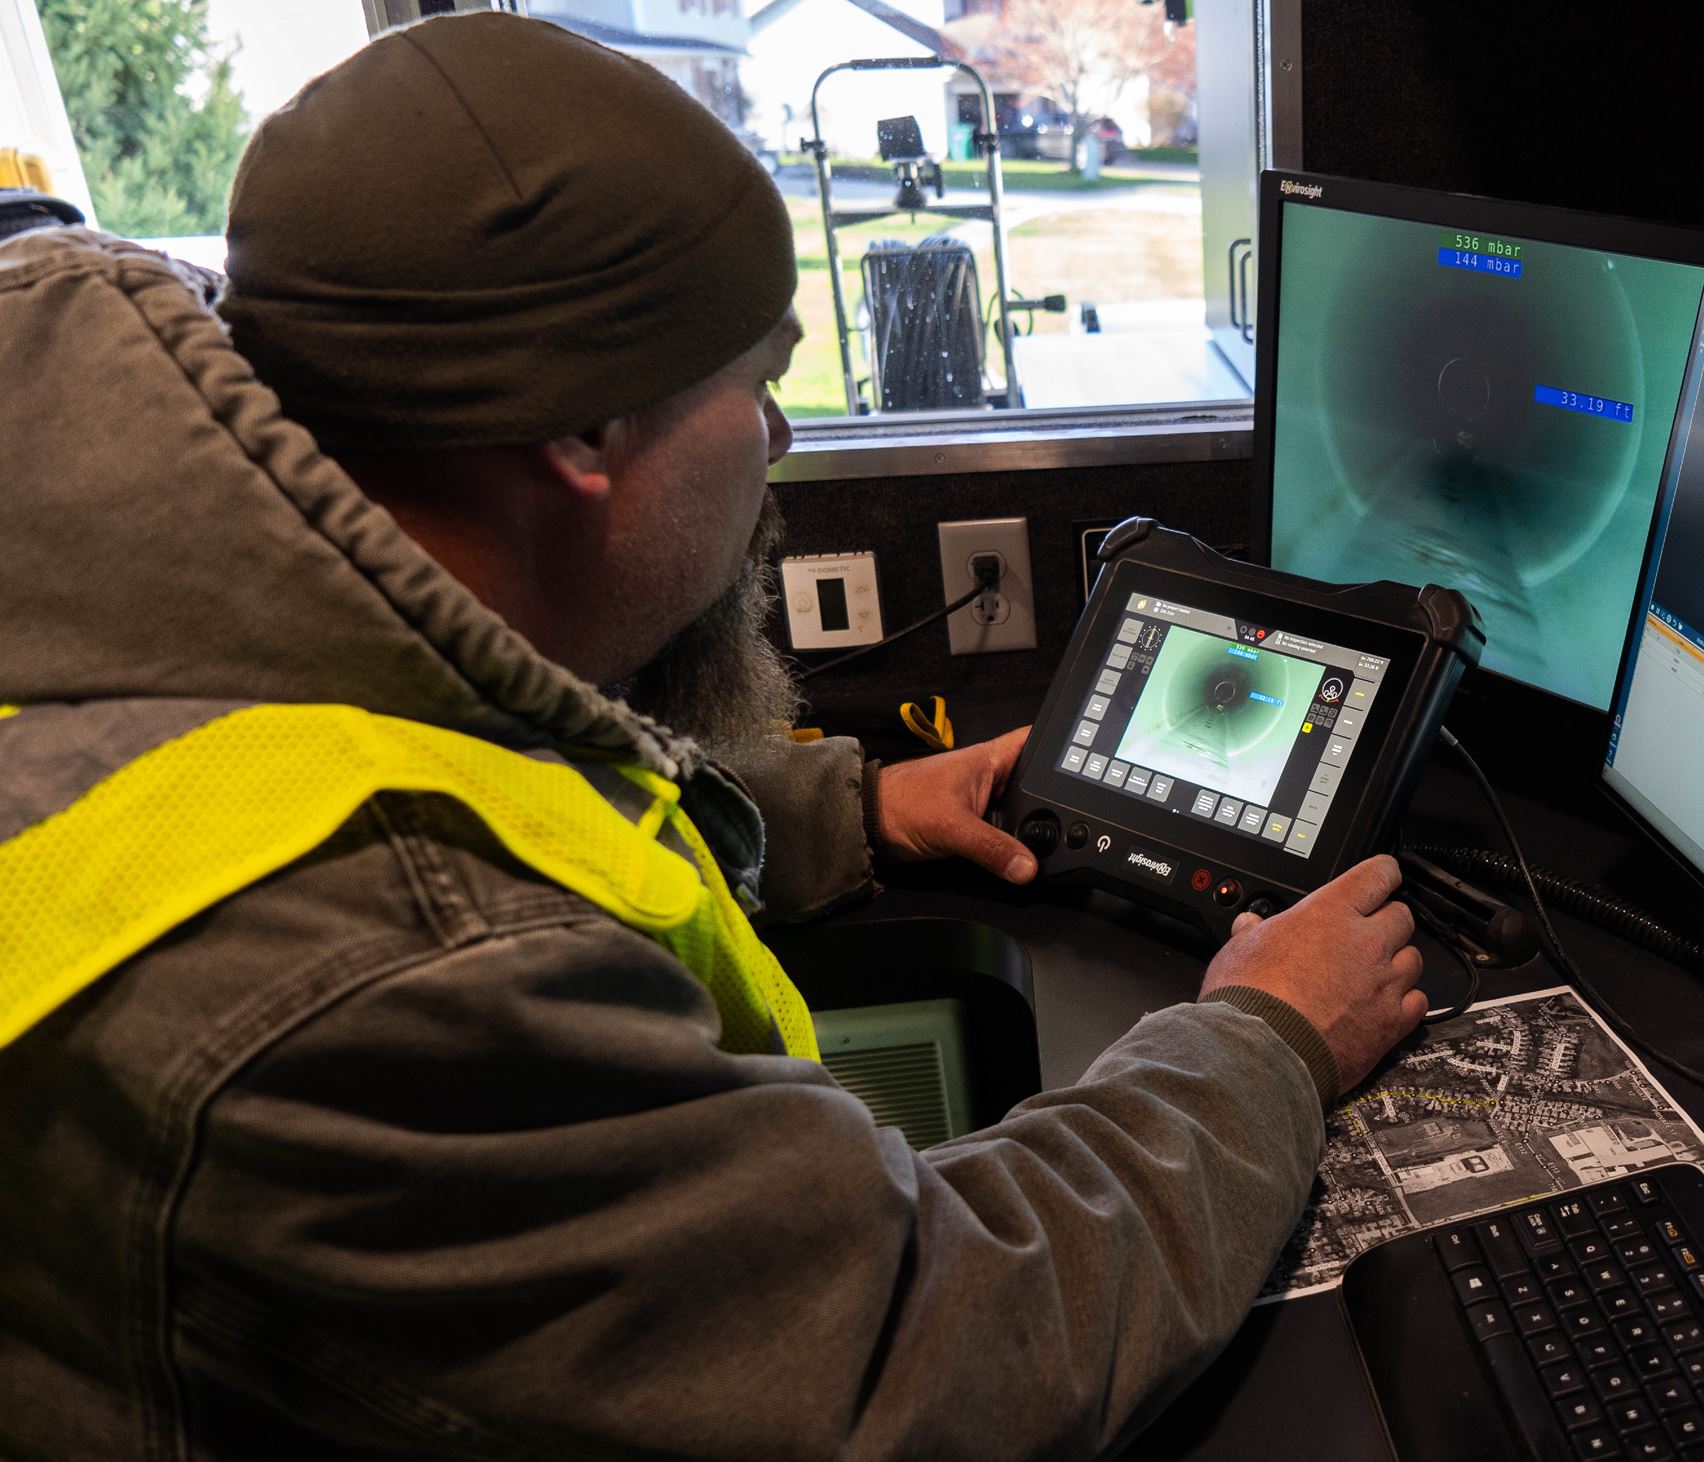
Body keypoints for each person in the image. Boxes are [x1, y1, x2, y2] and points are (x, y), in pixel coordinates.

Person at [0, 13, 1425, 1459]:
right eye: (755, 383)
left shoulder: (131, 611)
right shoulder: (394, 971)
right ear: (588, 435)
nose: (781, 441)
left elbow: (451, 763)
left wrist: (852, 808)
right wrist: (1265, 1038)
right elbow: (916, 1358)